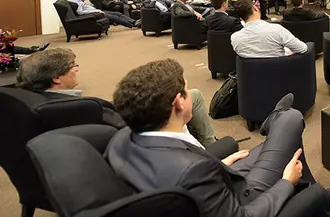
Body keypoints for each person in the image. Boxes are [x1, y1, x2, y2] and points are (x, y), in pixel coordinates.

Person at [106, 60, 330, 217]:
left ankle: (312, 186)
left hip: (215, 183)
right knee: (291, 120)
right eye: (188, 91)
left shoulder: (120, 141)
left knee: (286, 141)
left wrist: (217, 164)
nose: (191, 94)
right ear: (178, 102)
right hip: (241, 198)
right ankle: (279, 122)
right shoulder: (193, 171)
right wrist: (285, 183)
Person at [15, 48, 218, 145]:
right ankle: (208, 145)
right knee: (194, 95)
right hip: (149, 131)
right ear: (57, 78)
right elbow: (127, 124)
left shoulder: (27, 102)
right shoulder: (83, 108)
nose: (76, 70)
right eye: (73, 66)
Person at [231, 0, 307, 58]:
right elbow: (302, 49)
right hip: (280, 74)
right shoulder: (277, 29)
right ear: (255, 8)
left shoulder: (235, 38)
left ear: (241, 18)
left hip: (251, 77)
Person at [68, 0, 140, 28]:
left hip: (95, 11)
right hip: (92, 14)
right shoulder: (75, 2)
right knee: (114, 17)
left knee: (117, 13)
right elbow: (80, 12)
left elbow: (85, 7)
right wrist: (97, 11)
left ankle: (133, 21)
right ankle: (133, 24)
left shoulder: (78, 0)